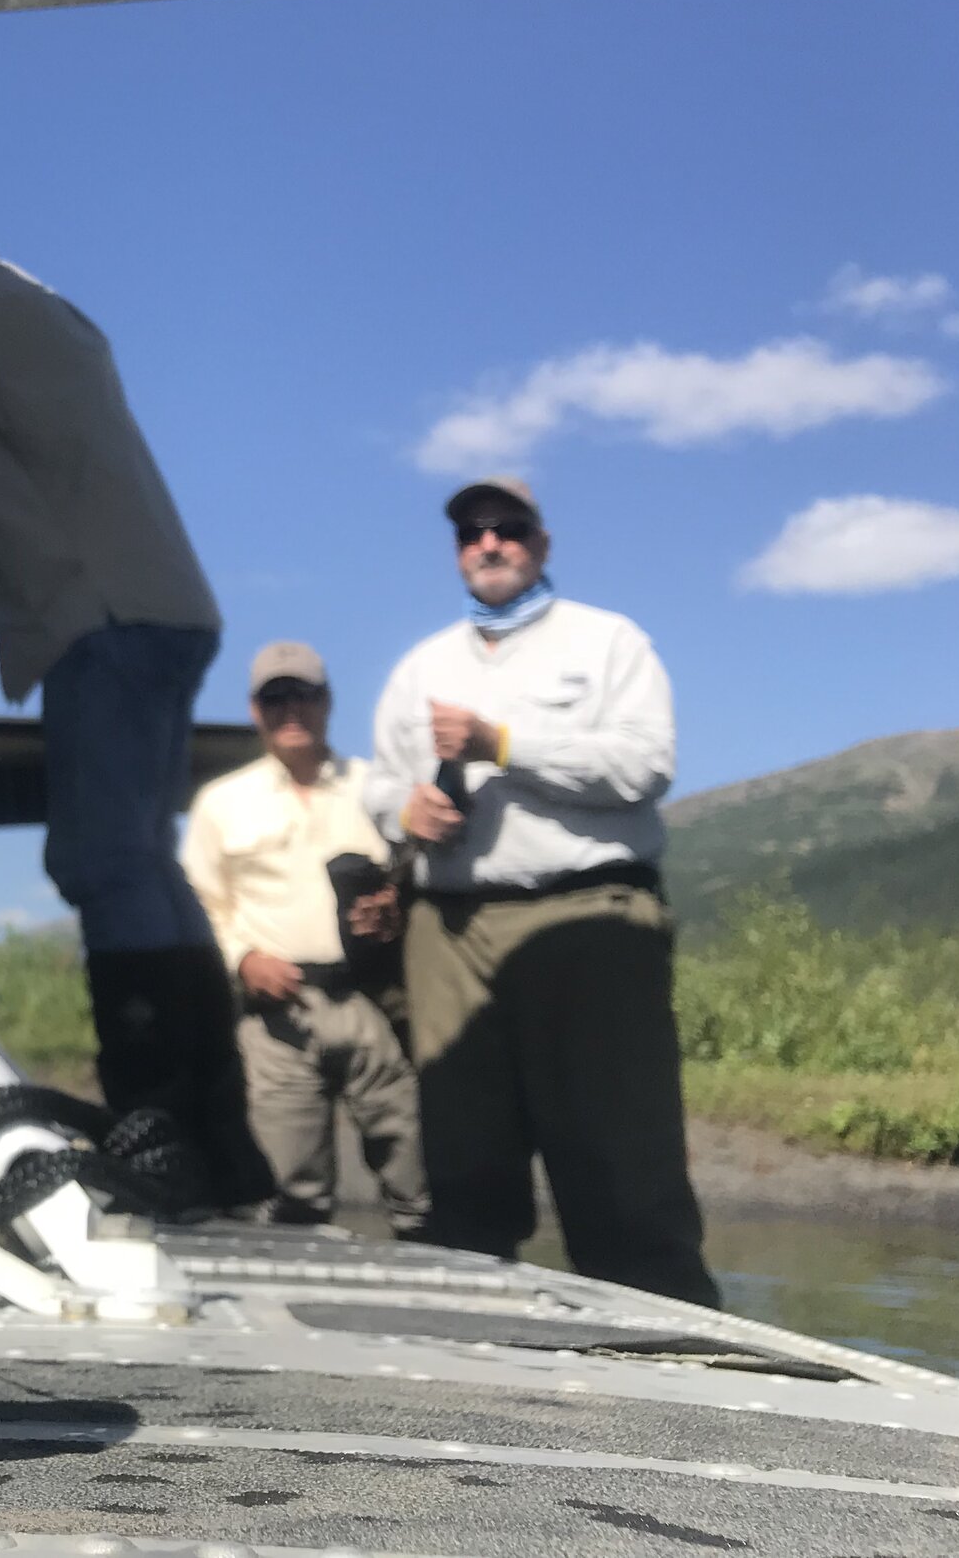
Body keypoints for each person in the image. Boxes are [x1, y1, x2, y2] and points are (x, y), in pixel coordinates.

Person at [0, 171, 271, 1207]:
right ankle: (216, 1140)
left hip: (101, 620)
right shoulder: (37, 309)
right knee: (141, 865)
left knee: (100, 858)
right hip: (156, 608)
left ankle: (163, 1130)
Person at [364, 476, 718, 1305]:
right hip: (449, 928)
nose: (489, 543)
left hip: (589, 914)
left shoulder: (608, 642)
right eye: (471, 532)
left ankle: (669, 1337)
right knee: (463, 1152)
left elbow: (644, 766)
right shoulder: (420, 667)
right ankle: (476, 1341)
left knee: (618, 1149)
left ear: (542, 543)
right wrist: (404, 810)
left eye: (508, 528)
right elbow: (381, 789)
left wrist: (504, 740)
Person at [182, 642, 429, 1236]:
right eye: (275, 698)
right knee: (290, 1191)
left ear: (327, 702)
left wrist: (398, 907)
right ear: (254, 710)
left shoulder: (376, 789)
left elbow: (420, 873)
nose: (290, 709)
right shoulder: (220, 803)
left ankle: (445, 1291)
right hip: (275, 1015)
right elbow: (199, 906)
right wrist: (243, 960)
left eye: (303, 695)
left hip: (373, 1001)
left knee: (418, 1177)